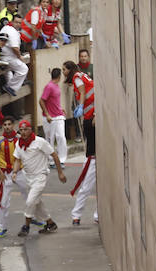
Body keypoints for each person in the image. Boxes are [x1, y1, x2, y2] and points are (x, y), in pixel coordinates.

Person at [12, 119, 66, 236]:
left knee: (30, 201)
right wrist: (15, 172)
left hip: (40, 176)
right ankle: (50, 223)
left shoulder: (39, 142)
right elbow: (17, 159)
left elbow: (54, 155)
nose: (24, 132)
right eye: (21, 130)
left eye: (26, 129)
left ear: (31, 129)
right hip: (28, 177)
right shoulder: (18, 144)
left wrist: (60, 173)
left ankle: (26, 226)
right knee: (37, 203)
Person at [63, 59, 97, 225]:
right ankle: (93, 215)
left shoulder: (76, 76)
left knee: (86, 185)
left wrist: (81, 106)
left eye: (64, 70)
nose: (64, 73)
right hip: (92, 110)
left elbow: (83, 91)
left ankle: (77, 215)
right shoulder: (83, 75)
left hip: (90, 112)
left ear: (70, 69)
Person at [0, 116, 27, 237]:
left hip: (20, 172)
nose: (7, 126)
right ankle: (2, 227)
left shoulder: (20, 139)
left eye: (9, 124)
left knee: (30, 195)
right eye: (5, 124)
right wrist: (0, 172)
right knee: (3, 202)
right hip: (5, 174)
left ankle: (35, 218)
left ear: (13, 125)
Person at [39, 69, 68, 166]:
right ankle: (51, 160)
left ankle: (61, 160)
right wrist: (47, 114)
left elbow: (54, 100)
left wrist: (60, 108)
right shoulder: (49, 86)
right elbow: (41, 101)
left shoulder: (56, 86)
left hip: (58, 116)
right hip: (50, 118)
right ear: (59, 76)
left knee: (61, 137)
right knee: (50, 139)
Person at [0, 18, 26, 94]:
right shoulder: (12, 31)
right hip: (7, 57)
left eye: (20, 23)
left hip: (1, 56)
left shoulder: (6, 27)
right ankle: (10, 87)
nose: (18, 24)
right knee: (23, 69)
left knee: (8, 71)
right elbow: (15, 48)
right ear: (12, 22)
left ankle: (9, 87)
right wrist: (20, 57)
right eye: (16, 22)